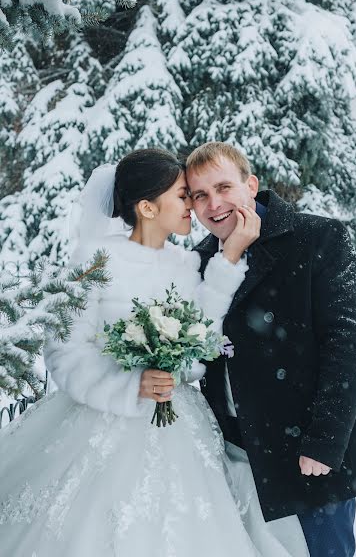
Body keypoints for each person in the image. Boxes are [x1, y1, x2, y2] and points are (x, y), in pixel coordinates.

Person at [0, 148, 309, 557]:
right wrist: (128, 385)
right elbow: (65, 352)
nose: (193, 206)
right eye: (184, 196)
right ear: (147, 206)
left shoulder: (185, 264)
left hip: (178, 425)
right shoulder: (95, 260)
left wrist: (229, 259)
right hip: (99, 424)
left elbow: (202, 337)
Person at [186, 141, 356, 557]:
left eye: (224, 187)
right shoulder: (201, 261)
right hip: (238, 453)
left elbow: (347, 344)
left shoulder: (319, 237)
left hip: (310, 453)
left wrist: (324, 441)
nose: (214, 204)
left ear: (251, 184)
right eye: (199, 195)